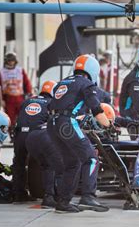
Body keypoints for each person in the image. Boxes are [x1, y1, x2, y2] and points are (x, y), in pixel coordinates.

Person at [47, 54, 112, 213]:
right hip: (67, 123)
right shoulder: (87, 84)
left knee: (73, 163)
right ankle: (88, 196)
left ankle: (63, 202)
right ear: (93, 70)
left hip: (52, 125)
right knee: (91, 159)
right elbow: (96, 110)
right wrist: (109, 125)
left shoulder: (62, 83)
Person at [12, 80, 57, 202]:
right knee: (48, 163)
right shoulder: (51, 103)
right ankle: (49, 195)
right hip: (36, 136)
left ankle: (18, 193)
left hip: (20, 134)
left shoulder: (27, 101)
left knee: (18, 163)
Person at [25, 122, 63, 208]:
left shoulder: (55, 118)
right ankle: (62, 199)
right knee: (62, 169)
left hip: (32, 137)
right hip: (48, 137)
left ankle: (50, 196)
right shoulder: (77, 119)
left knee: (47, 167)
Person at [0, 52, 32, 136]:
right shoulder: (1, 72)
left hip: (20, 98)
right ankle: (12, 134)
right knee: (10, 118)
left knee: (22, 117)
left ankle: (21, 133)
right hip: (8, 99)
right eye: (9, 61)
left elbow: (27, 83)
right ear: (6, 61)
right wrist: (0, 99)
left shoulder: (20, 70)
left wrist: (29, 93)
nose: (11, 62)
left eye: (12, 61)